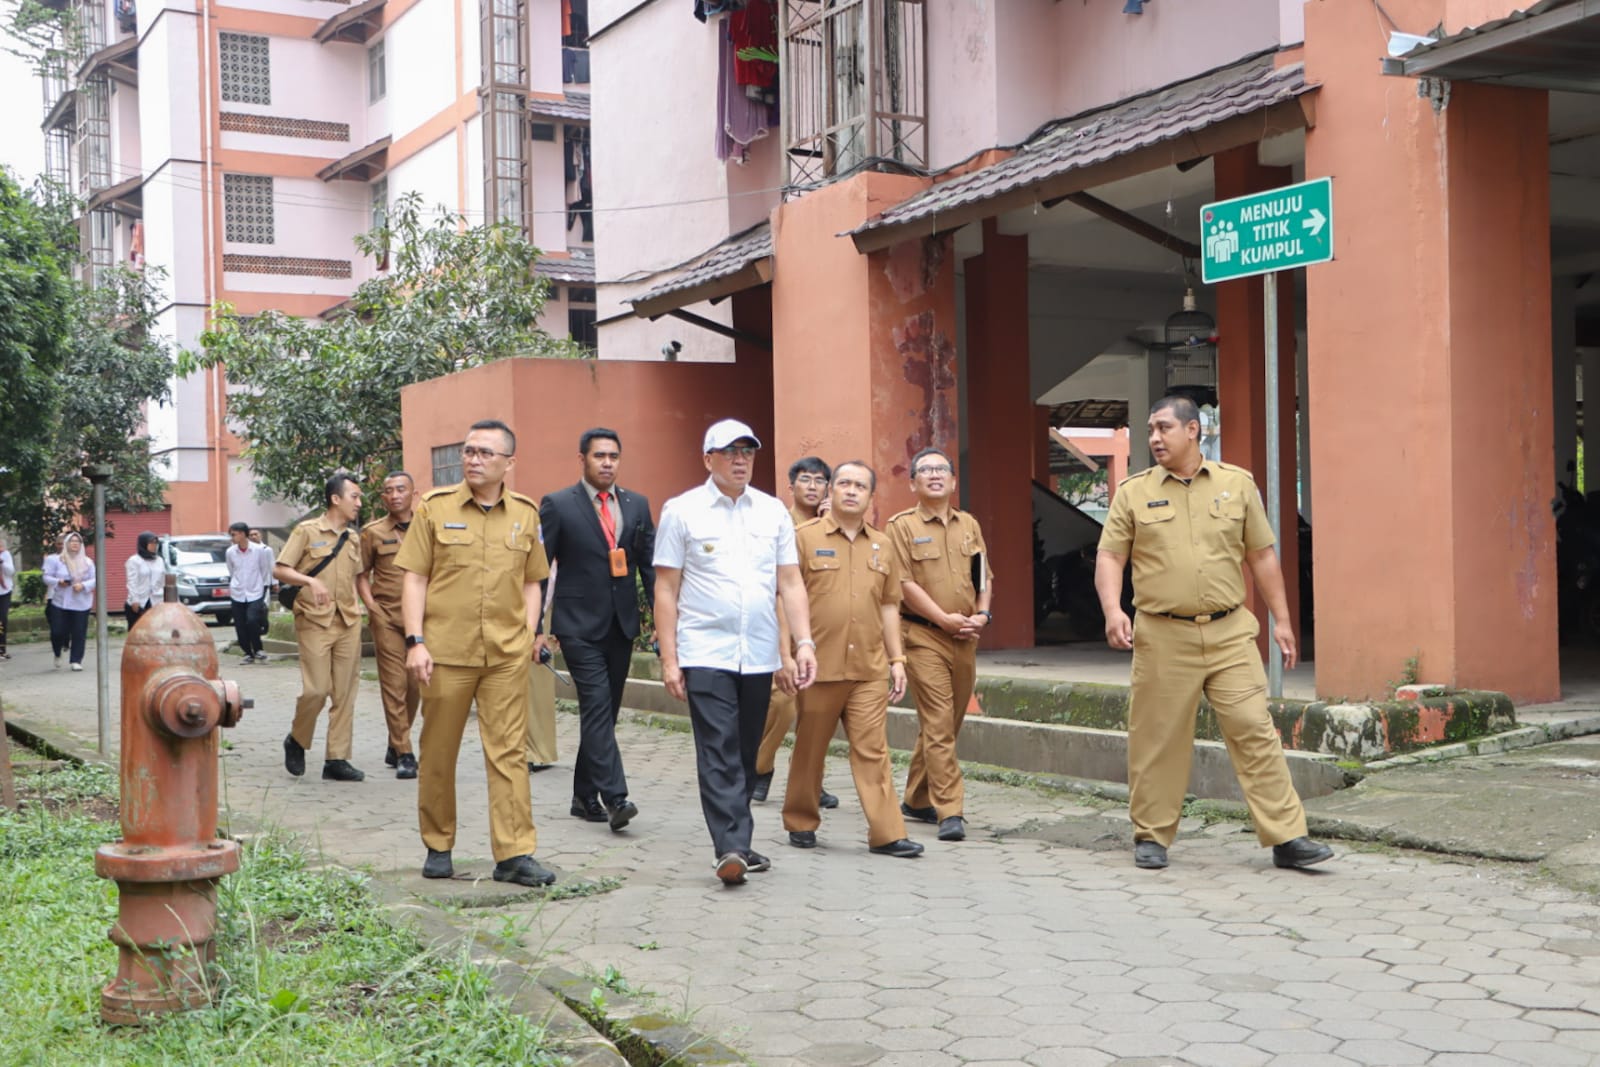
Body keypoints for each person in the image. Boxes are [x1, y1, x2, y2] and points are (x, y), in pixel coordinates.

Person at [1094, 395, 1334, 872]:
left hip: (1230, 633)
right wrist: (1112, 610)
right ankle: (1152, 835)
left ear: (1193, 431)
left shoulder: (1236, 484)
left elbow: (1262, 556)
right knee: (1157, 737)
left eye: (1164, 428)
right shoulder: (1133, 492)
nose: (1155, 438)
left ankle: (1287, 837)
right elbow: (1111, 556)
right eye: (1150, 430)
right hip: (1163, 635)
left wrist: (1282, 620)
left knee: (1254, 728)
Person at [654, 418, 818, 886]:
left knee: (745, 751)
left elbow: (790, 582)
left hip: (760, 652)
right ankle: (729, 846)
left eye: (748, 451)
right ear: (709, 459)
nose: (741, 459)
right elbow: (666, 589)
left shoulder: (771, 512)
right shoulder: (682, 511)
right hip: (704, 649)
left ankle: (738, 843)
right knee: (719, 747)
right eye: (730, 451)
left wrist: (800, 645)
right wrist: (669, 659)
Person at [398, 419, 555, 887]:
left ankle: (514, 854)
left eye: (485, 452)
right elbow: (415, 578)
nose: (473, 459)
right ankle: (438, 844)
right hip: (445, 652)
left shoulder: (526, 514)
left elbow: (534, 580)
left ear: (509, 462)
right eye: (469, 451)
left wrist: (529, 633)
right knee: (439, 751)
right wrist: (415, 641)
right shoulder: (435, 508)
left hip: (506, 655)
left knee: (508, 753)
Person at [783, 461, 923, 859]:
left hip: (869, 668)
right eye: (843, 483)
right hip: (817, 667)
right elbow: (785, 598)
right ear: (831, 491)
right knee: (811, 747)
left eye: (860, 486)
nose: (851, 490)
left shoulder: (883, 544)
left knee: (873, 750)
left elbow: (889, 606)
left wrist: (897, 659)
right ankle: (800, 819)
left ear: (869, 496)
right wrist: (789, 653)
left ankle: (887, 833)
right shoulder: (803, 538)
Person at [538, 427, 655, 831]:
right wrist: (537, 625)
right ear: (582, 460)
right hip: (576, 626)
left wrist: (659, 623)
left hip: (621, 625)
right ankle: (615, 797)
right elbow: (538, 571)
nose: (607, 463)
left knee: (606, 711)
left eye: (613, 457)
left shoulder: (637, 505)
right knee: (596, 705)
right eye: (599, 456)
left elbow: (649, 567)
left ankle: (582, 795)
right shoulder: (558, 504)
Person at [888, 447, 993, 844]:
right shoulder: (900, 526)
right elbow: (903, 584)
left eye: (941, 470)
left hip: (965, 636)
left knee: (948, 723)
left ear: (952, 481)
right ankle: (950, 809)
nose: (934, 475)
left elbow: (983, 574)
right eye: (925, 470)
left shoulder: (969, 525)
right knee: (937, 720)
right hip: (921, 636)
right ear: (913, 482)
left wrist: (982, 614)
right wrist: (942, 618)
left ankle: (916, 798)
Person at [751, 456, 838, 811]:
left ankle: (810, 780)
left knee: (816, 713)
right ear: (791, 486)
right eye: (806, 480)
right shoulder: (777, 523)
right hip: (781, 627)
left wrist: (831, 522)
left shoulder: (834, 524)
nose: (813, 486)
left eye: (820, 481)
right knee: (783, 704)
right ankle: (760, 766)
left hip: (822, 631)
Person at [275, 473, 367, 782]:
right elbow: (280, 569)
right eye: (354, 496)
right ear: (335, 499)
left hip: (348, 621)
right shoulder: (306, 531)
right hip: (314, 621)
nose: (359, 502)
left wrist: (365, 606)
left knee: (345, 693)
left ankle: (336, 759)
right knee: (316, 690)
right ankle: (297, 739)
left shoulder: (353, 538)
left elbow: (356, 577)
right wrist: (309, 580)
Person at [358, 472, 422, 780]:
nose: (395, 495)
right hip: (387, 619)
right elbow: (361, 574)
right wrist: (372, 608)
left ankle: (395, 741)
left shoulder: (427, 527)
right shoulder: (372, 532)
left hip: (422, 620)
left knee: (414, 686)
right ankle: (406, 753)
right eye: (388, 491)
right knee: (394, 686)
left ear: (414, 493)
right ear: (382, 498)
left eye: (401, 489)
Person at [43, 531, 95, 671]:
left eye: (77, 542)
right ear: (66, 544)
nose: (74, 544)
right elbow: (46, 577)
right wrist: (58, 581)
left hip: (81, 601)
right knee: (57, 631)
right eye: (71, 541)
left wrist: (83, 585)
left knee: (79, 632)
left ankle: (76, 660)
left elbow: (94, 579)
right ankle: (57, 652)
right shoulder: (56, 560)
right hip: (60, 601)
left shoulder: (87, 562)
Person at [225, 523, 273, 664]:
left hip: (255, 591)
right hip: (237, 592)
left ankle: (258, 649)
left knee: (252, 620)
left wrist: (263, 586)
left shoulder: (259, 550)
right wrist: (237, 584)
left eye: (234, 534)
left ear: (242, 534)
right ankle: (247, 653)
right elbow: (231, 570)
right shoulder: (230, 552)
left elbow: (264, 569)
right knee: (240, 624)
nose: (232, 538)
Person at [124, 532, 166, 631]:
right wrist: (135, 600)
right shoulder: (134, 561)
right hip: (140, 601)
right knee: (138, 632)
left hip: (156, 600)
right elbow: (132, 582)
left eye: (156, 543)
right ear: (143, 544)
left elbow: (162, 580)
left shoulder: (159, 560)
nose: (154, 546)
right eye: (151, 543)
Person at [0, 534, 14, 660]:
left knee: (2, 619)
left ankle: (2, 648)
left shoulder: (5, 555)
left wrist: (2, 563)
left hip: (4, 591)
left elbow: (11, 572)